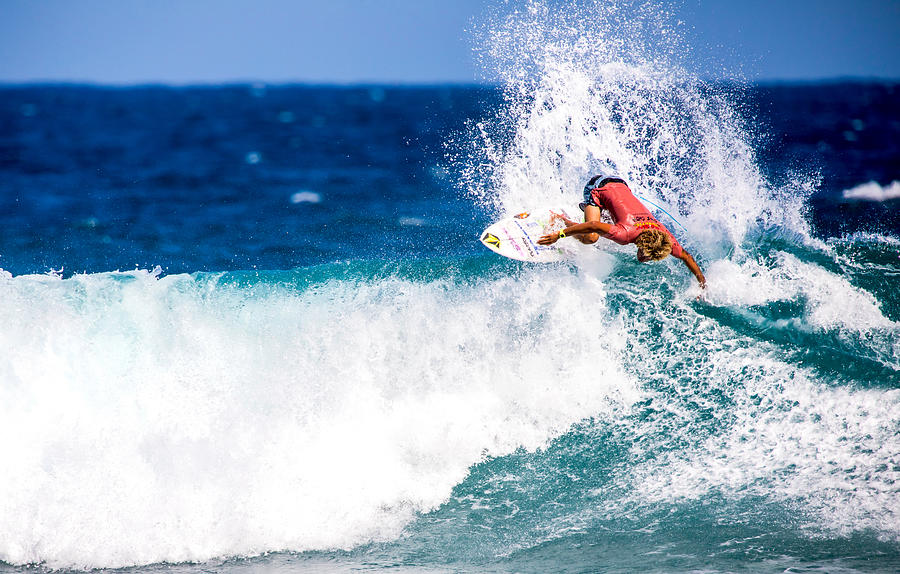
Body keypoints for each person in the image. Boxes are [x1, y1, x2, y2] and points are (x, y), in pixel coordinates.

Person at [538, 172, 706, 288]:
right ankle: (562, 219)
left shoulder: (663, 237)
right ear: (643, 245)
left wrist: (702, 283)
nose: (645, 259)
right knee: (591, 238)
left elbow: (686, 256)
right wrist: (558, 235)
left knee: (606, 223)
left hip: (620, 185)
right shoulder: (625, 234)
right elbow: (593, 227)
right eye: (647, 256)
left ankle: (597, 211)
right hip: (596, 186)